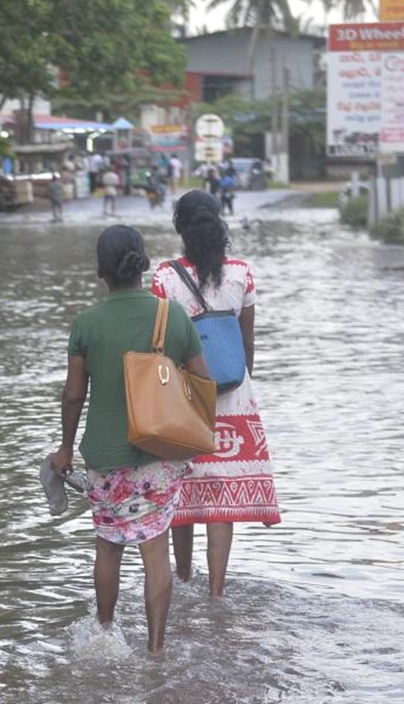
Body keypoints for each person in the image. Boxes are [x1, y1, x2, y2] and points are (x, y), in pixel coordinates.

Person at [49, 224, 210, 654]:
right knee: (154, 551)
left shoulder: (85, 324)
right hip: (158, 453)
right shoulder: (171, 315)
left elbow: (73, 395)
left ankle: (104, 635)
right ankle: (156, 649)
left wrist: (65, 447)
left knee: (108, 546)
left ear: (101, 270)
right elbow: (202, 382)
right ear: (142, 263)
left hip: (104, 453)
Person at [150, 190, 281, 598]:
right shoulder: (242, 273)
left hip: (185, 398)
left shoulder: (165, 278)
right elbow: (247, 340)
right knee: (222, 495)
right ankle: (217, 591)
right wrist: (241, 383)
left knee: (183, 493)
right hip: (236, 398)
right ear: (220, 224)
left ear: (180, 228)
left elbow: (161, 346)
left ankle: (185, 579)